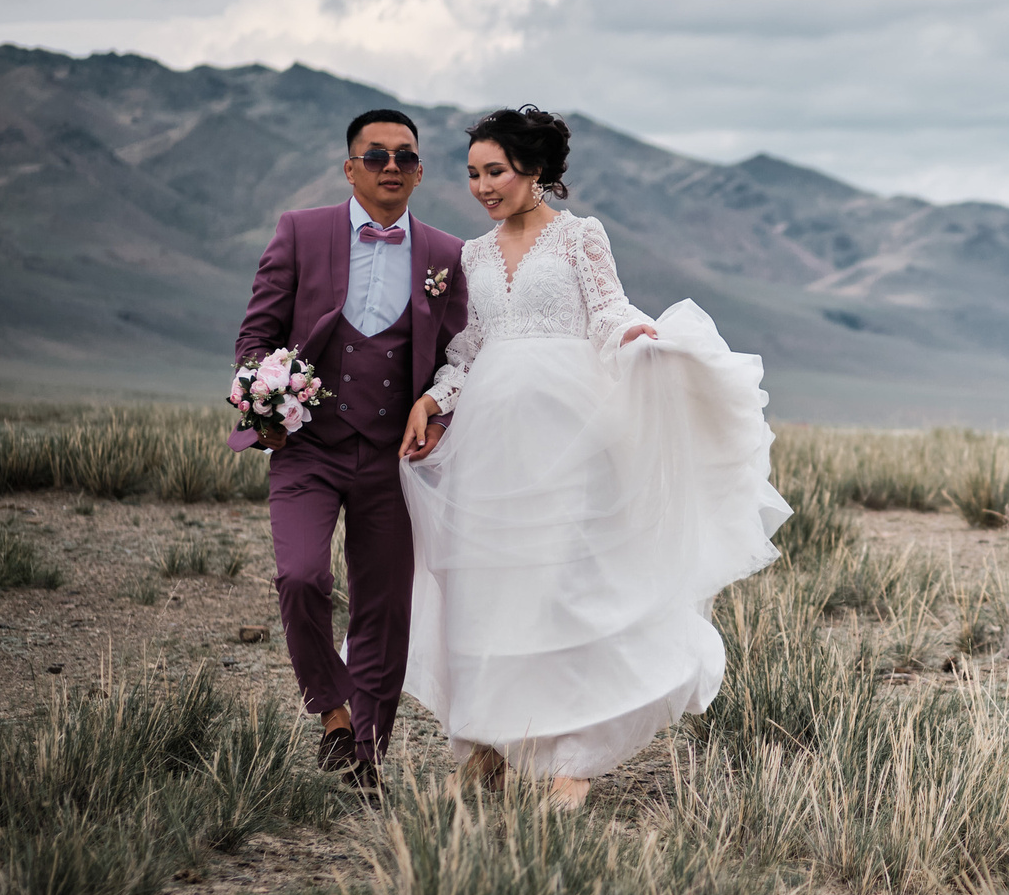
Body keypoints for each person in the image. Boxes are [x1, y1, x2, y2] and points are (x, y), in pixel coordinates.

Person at [399, 105, 788, 808]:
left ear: (533, 170)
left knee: (563, 586)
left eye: (495, 171)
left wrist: (636, 336)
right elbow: (471, 347)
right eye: (473, 174)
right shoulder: (473, 255)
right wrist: (433, 398)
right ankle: (485, 745)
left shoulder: (580, 237)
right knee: (488, 587)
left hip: (569, 431)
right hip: (489, 438)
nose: (482, 186)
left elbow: (607, 310)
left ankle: (571, 760)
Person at [236, 107, 471, 793]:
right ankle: (332, 711)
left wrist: (438, 414)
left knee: (385, 610)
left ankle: (364, 757)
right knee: (301, 577)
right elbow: (255, 340)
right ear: (350, 168)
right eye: (376, 155)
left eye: (405, 156)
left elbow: (456, 356)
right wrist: (264, 408)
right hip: (307, 448)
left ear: (420, 172)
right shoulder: (300, 232)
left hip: (396, 459)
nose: (391, 166)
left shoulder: (446, 254)